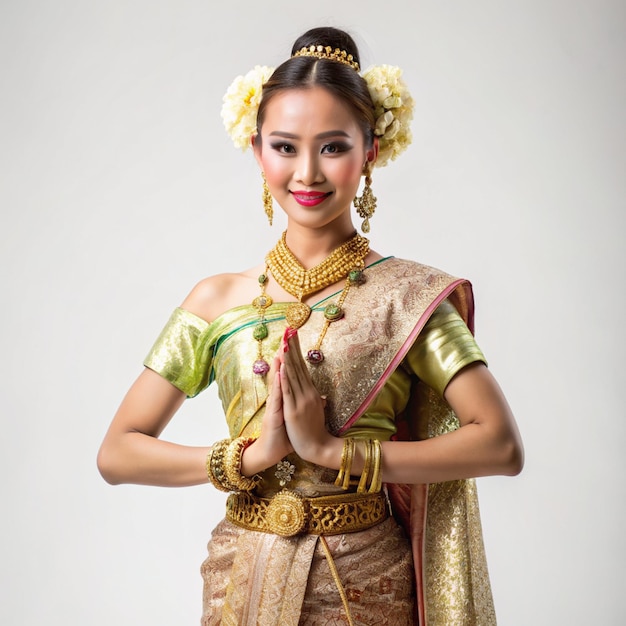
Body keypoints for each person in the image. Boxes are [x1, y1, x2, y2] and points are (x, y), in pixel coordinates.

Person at [97, 26, 524, 626]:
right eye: (285, 146)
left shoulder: (412, 298)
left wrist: (337, 452)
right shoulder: (216, 300)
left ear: (370, 151)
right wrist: (247, 459)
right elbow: (118, 452)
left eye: (332, 147)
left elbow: (500, 445)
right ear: (256, 151)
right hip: (239, 577)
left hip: (365, 585)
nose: (307, 173)